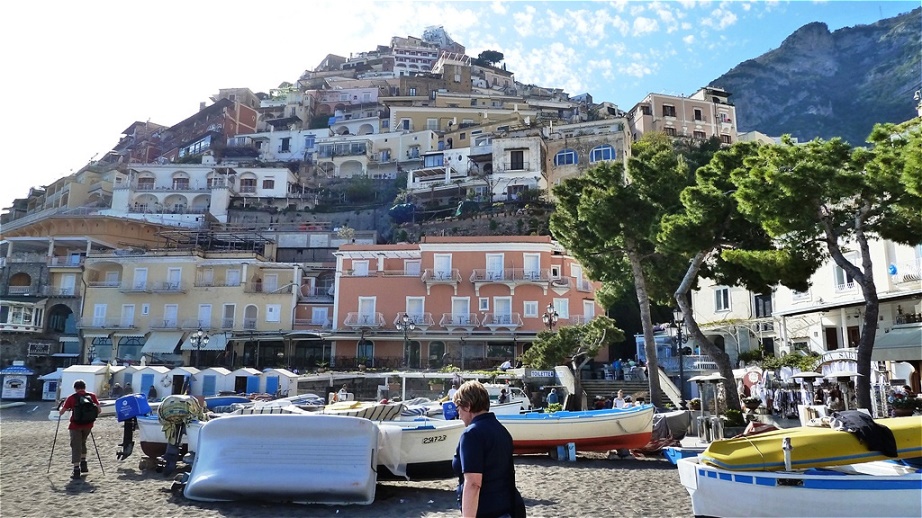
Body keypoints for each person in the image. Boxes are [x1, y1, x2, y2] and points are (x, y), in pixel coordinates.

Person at [452, 380, 516, 518]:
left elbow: (474, 483)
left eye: (458, 408)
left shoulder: (472, 434)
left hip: (485, 511)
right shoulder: (501, 430)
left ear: (468, 406)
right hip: (505, 510)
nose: (458, 415)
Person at [59, 380, 100, 480]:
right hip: (89, 424)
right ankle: (84, 463)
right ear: (84, 387)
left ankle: (76, 469)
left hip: (75, 425)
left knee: (75, 445)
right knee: (83, 443)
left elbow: (61, 412)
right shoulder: (92, 396)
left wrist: (61, 407)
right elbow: (99, 410)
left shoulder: (72, 397)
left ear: (75, 388)